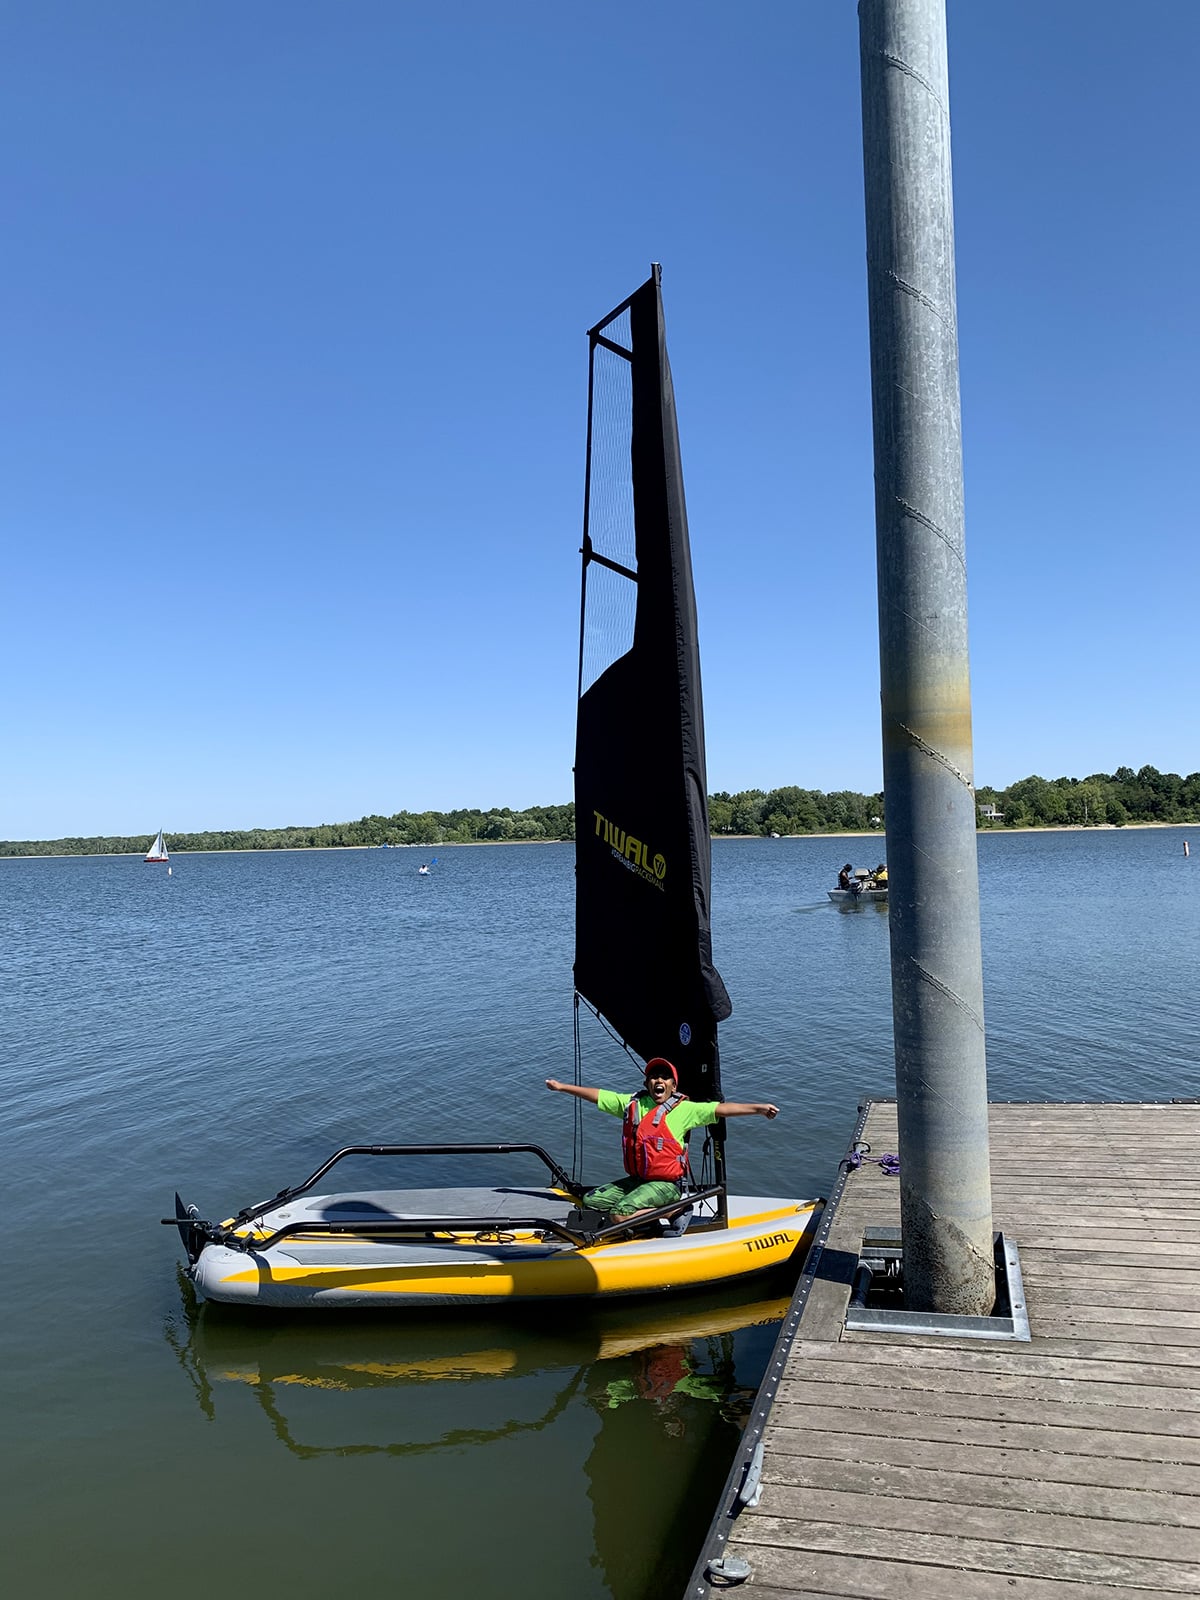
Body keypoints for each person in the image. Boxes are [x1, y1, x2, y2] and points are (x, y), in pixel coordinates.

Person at [544, 1058, 779, 1222]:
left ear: (673, 1085)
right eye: (654, 1076)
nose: (659, 1080)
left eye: (665, 1077)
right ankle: (639, 1218)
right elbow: (598, 1096)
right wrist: (562, 1087)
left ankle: (671, 1211)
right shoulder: (632, 1104)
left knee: (620, 1213)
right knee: (591, 1201)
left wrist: (758, 1109)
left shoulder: (684, 1109)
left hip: (667, 1186)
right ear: (647, 1084)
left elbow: (722, 1109)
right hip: (638, 1180)